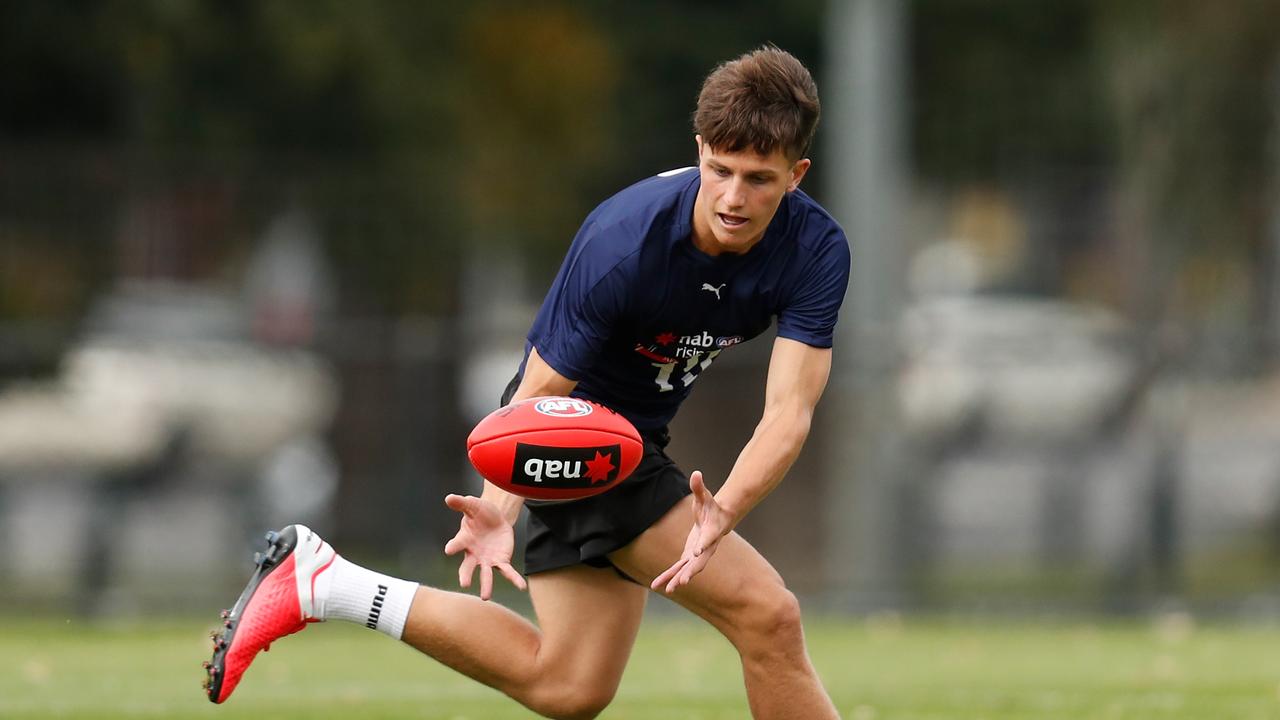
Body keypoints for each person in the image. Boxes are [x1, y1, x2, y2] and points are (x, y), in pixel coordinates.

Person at [205, 45, 849, 720]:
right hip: (575, 435)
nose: (734, 198)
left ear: (796, 175)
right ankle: (320, 581)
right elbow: (537, 395)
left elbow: (789, 412)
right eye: (719, 170)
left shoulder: (816, 250)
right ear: (698, 150)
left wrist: (726, 509)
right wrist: (500, 509)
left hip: (636, 443)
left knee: (567, 686)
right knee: (769, 617)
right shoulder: (625, 242)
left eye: (758, 179)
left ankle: (325, 584)